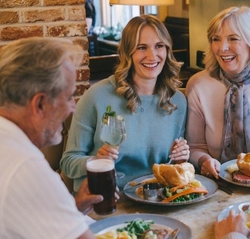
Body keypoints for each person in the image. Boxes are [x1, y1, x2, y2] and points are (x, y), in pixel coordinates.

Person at [60, 14, 190, 192]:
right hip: (106, 198)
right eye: (142, 47)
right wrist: (95, 161)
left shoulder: (178, 102)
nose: (152, 56)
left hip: (156, 198)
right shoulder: (97, 96)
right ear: (127, 52)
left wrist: (180, 158)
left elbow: (171, 166)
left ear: (167, 50)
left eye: (159, 46)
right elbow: (68, 162)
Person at [0, 37, 104, 238]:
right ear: (39, 104)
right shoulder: (26, 166)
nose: (72, 107)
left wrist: (71, 208)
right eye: (68, 97)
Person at [186, 6, 250, 179]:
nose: (222, 48)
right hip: (219, 185)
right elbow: (194, 147)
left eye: (233, 39)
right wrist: (204, 160)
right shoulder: (199, 85)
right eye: (216, 39)